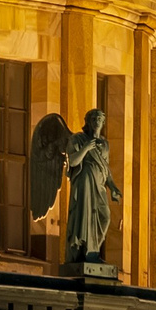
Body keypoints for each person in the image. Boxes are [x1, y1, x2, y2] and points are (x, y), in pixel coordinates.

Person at [59, 108, 122, 266]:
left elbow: (105, 169)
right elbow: (72, 162)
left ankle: (93, 250)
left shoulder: (104, 144)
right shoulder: (77, 139)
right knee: (84, 217)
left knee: (105, 216)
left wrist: (113, 187)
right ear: (88, 122)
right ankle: (85, 252)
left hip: (99, 186)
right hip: (84, 184)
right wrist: (86, 147)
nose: (97, 123)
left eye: (100, 120)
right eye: (94, 119)